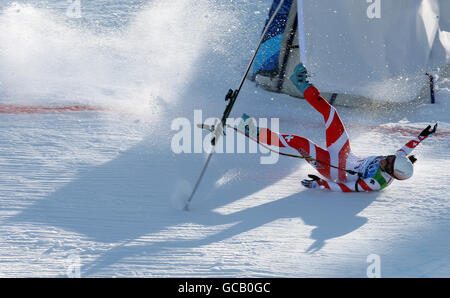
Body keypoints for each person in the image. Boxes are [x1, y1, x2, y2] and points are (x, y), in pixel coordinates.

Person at [256, 63, 437, 192]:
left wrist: (321, 184)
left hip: (334, 170)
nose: (387, 159)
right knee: (331, 114)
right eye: (390, 158)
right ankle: (301, 83)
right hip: (345, 154)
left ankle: (250, 130)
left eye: (388, 163)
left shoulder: (376, 182)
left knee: (298, 142)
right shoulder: (396, 161)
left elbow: (347, 187)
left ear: (392, 173)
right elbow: (404, 150)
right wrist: (422, 136)